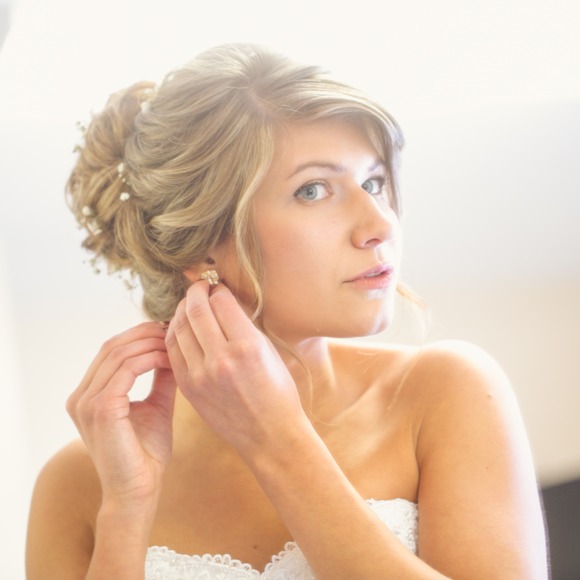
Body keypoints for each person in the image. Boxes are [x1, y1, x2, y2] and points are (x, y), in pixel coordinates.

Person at [26, 43, 548, 579]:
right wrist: (126, 507)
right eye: (313, 190)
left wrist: (275, 440)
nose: (379, 224)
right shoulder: (78, 483)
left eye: (373, 182)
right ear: (202, 247)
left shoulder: (444, 391)